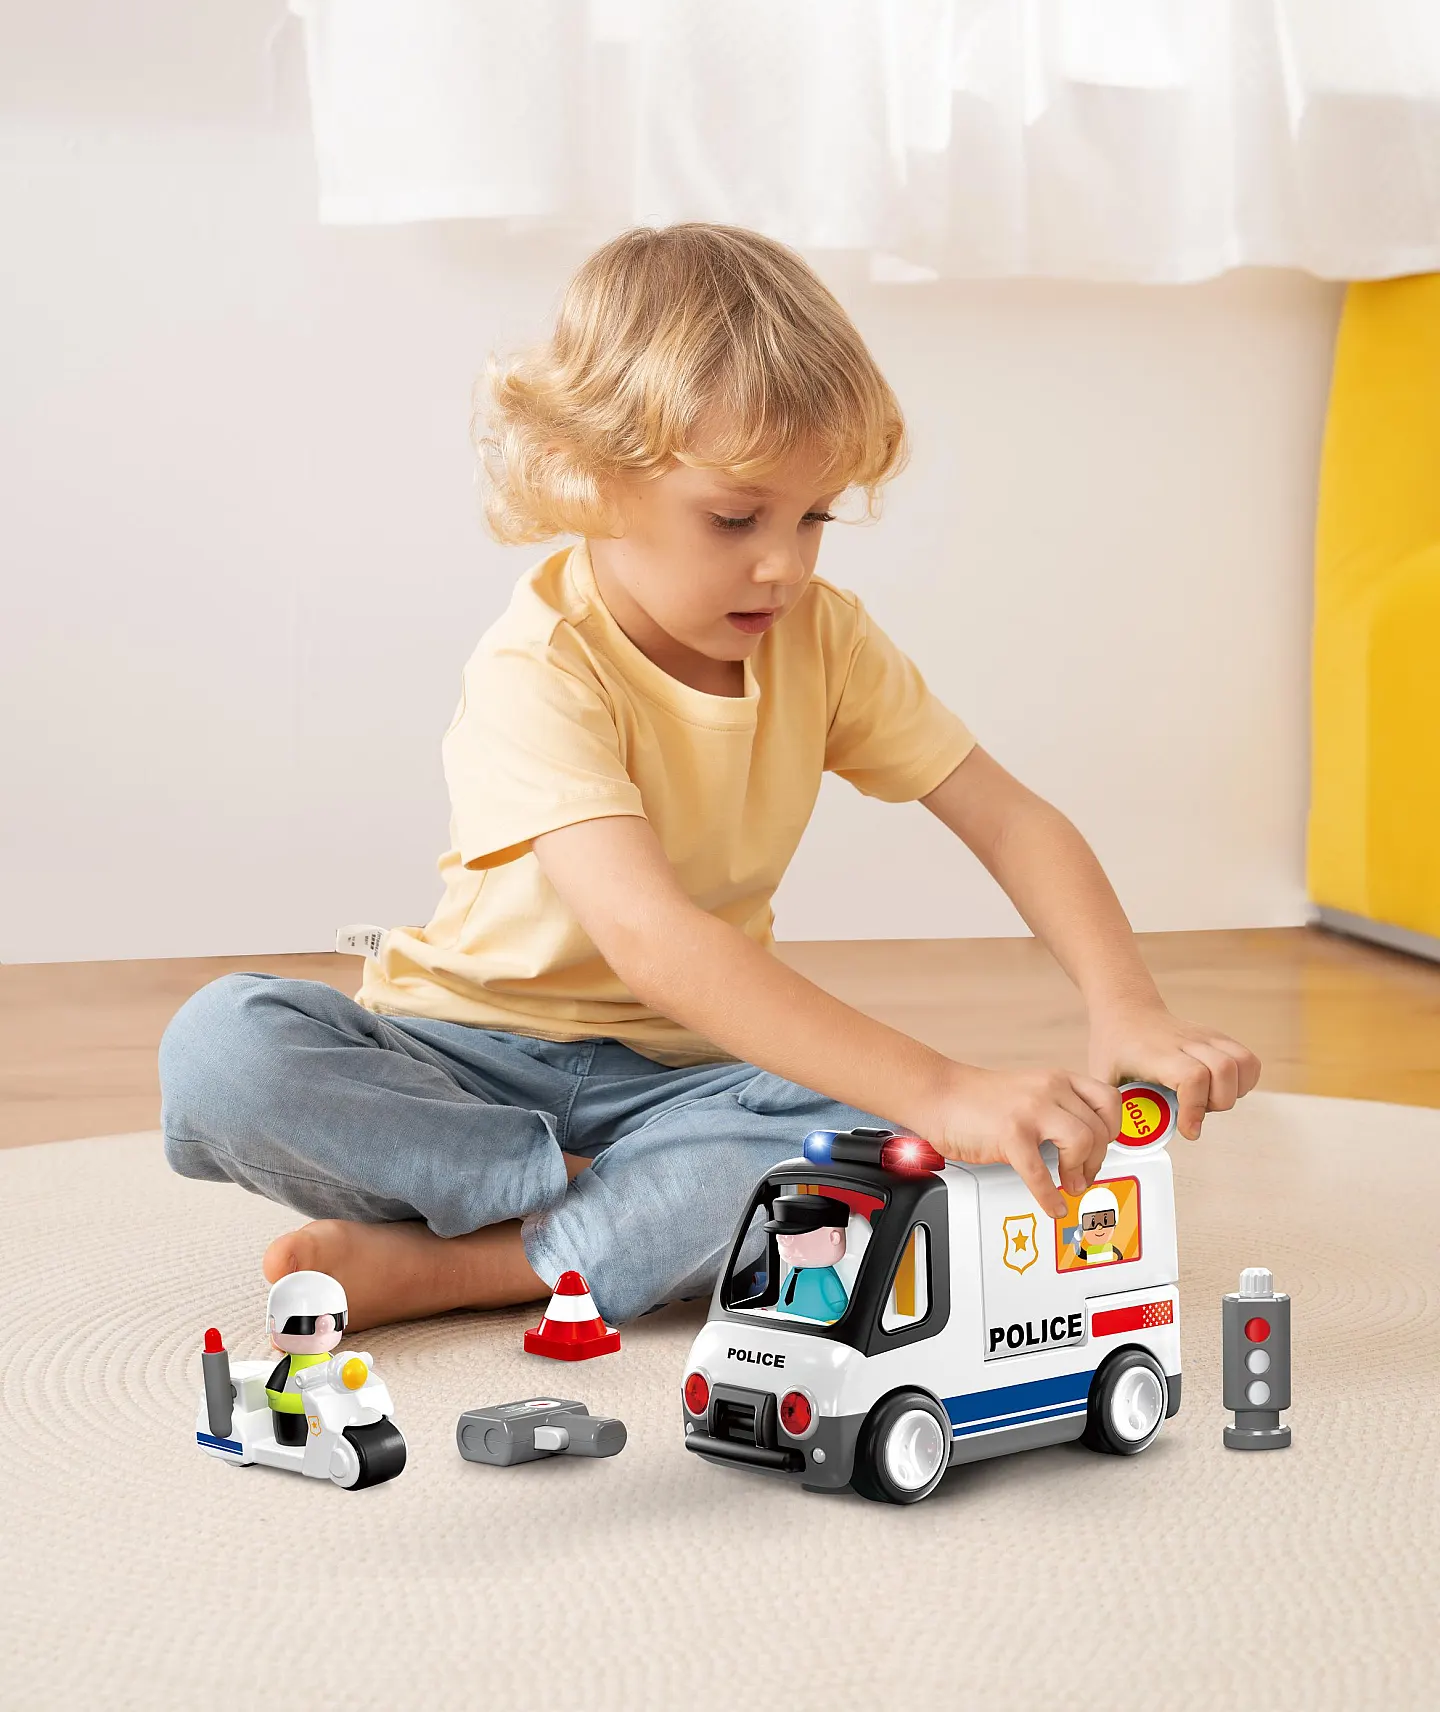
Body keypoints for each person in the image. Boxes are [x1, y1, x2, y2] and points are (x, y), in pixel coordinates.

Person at [158, 224, 1260, 1331]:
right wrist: (939, 1088)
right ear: (591, 478)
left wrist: (1127, 1005)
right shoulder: (538, 666)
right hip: (463, 1062)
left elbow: (1010, 819)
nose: (784, 563)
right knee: (225, 1051)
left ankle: (479, 1263)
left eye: (814, 516)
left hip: (694, 1080)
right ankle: (576, 1203)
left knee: (899, 1148)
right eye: (736, 518)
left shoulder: (825, 641)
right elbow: (654, 939)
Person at [264, 1269, 347, 1445]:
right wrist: (275, 1396)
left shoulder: (329, 1359)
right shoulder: (290, 1363)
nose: (324, 1329)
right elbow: (274, 1386)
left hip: (325, 1407)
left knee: (326, 1437)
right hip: (291, 1410)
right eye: (305, 1325)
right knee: (295, 1440)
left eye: (336, 1322)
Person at [765, 1194, 851, 1323]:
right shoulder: (793, 1272)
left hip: (819, 1323)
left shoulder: (825, 1276)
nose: (785, 1243)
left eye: (796, 1235)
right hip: (786, 1322)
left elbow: (839, 1303)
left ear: (834, 1238)